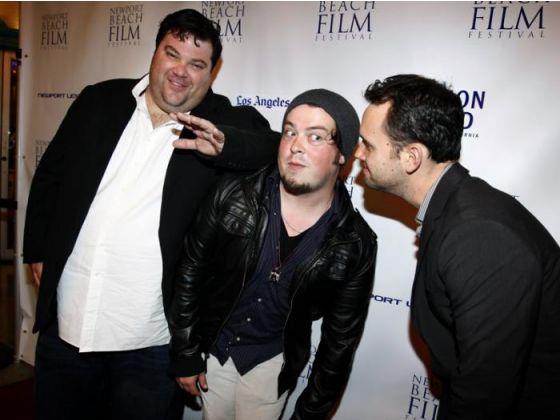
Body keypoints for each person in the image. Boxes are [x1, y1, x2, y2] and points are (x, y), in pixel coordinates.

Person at [23, 9, 279, 420]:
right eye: (172, 54)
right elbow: (50, 176)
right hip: (67, 323)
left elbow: (275, 147)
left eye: (196, 64)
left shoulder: (220, 121)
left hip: (150, 343)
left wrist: (225, 145)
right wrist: (37, 249)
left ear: (212, 73)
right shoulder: (99, 99)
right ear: (155, 53)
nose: (181, 71)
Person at [355, 74, 560, 419]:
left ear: (411, 157)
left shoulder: (478, 234)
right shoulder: (455, 210)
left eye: (368, 145)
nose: (357, 153)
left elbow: (485, 394)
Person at [168, 89, 377, 419]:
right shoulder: (231, 194)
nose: (296, 145)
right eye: (290, 131)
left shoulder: (354, 242)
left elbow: (339, 343)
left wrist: (310, 413)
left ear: (342, 155)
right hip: (214, 354)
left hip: (273, 366)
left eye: (316, 136)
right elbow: (190, 271)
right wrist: (186, 352)